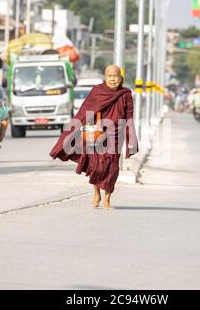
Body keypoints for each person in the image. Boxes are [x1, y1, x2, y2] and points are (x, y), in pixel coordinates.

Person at [49, 65, 139, 210]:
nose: (112, 79)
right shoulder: (98, 91)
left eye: (115, 76)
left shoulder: (125, 93)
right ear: (105, 77)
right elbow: (86, 111)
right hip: (97, 133)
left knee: (112, 168)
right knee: (97, 166)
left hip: (116, 134)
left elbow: (129, 116)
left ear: (121, 78)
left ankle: (107, 199)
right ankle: (96, 193)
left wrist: (131, 140)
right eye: (109, 76)